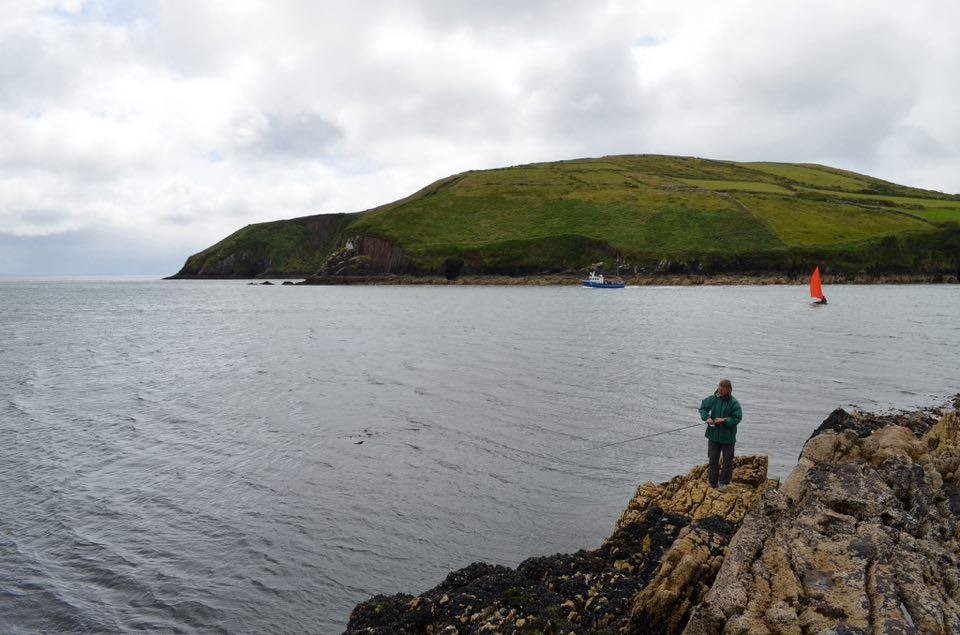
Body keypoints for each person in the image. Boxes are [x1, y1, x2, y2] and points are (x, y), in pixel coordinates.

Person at [699, 379, 742, 490]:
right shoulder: (713, 399)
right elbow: (703, 408)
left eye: (722, 390)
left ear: (729, 390)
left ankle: (723, 483)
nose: (720, 392)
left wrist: (724, 420)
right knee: (713, 459)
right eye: (719, 389)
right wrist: (707, 418)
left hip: (728, 438)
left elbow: (737, 418)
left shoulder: (734, 403)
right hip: (713, 436)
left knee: (728, 461)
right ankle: (712, 482)